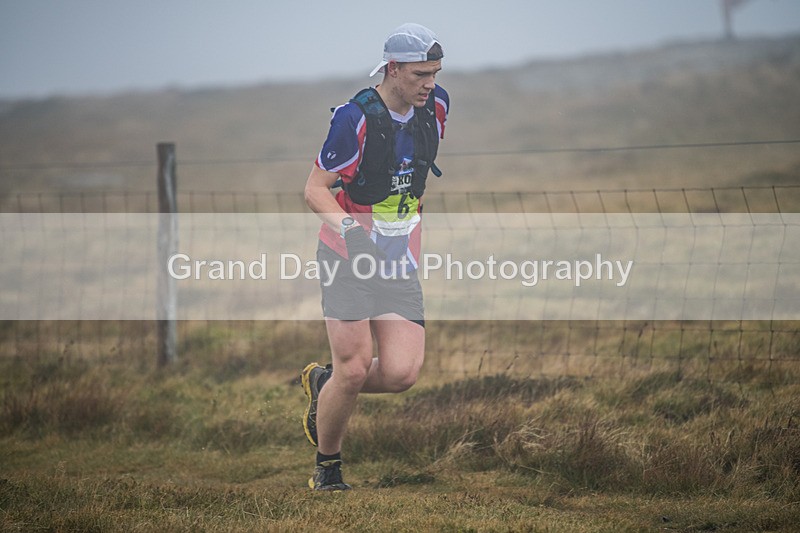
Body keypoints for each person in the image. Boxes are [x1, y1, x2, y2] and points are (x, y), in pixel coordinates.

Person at [301, 22, 450, 491]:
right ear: (392, 68)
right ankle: (328, 469)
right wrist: (350, 229)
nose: (430, 83)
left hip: (399, 260)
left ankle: (325, 385)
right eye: (420, 73)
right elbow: (314, 191)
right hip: (347, 256)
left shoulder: (437, 106)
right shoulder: (354, 118)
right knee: (354, 365)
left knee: (402, 373)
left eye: (436, 72)